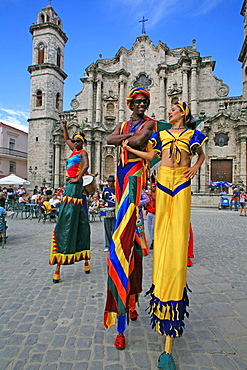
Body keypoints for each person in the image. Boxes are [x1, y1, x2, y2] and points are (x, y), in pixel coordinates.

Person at [122, 100, 207, 368]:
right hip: (163, 183)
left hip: (181, 182)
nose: (169, 112)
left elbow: (201, 154)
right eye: (169, 110)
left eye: (173, 110)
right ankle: (161, 285)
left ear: (183, 113)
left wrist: (196, 166)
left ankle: (174, 284)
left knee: (178, 237)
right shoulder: (161, 134)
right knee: (161, 236)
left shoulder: (193, 135)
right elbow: (154, 157)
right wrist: (127, 148)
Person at [104, 87, 156, 349]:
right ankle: (131, 303)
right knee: (130, 249)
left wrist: (127, 139)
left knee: (126, 246)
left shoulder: (151, 123)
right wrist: (125, 136)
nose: (140, 105)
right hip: (120, 182)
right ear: (130, 103)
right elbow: (109, 140)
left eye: (144, 102)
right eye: (136, 102)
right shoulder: (125, 123)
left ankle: (126, 313)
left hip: (134, 180)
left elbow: (138, 142)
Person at [49, 121, 91, 283]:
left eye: (78, 141)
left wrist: (78, 179)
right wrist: (65, 127)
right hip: (69, 184)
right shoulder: (73, 150)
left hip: (73, 186)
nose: (75, 142)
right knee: (78, 220)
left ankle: (59, 266)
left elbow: (86, 166)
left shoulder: (83, 153)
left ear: (82, 143)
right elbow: (66, 138)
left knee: (67, 220)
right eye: (74, 141)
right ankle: (85, 261)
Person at [102, 175, 116, 252]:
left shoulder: (117, 190)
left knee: (114, 228)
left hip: (115, 210)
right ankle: (107, 245)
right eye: (108, 182)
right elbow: (104, 200)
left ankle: (114, 244)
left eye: (110, 181)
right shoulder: (106, 190)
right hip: (107, 211)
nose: (109, 183)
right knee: (107, 229)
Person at [146, 183, 156, 250]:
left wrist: (151, 195)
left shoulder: (157, 194)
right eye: (152, 187)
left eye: (154, 187)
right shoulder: (149, 194)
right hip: (149, 212)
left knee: (153, 228)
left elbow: (156, 199)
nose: (152, 188)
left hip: (155, 213)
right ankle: (152, 240)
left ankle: (153, 241)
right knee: (149, 228)